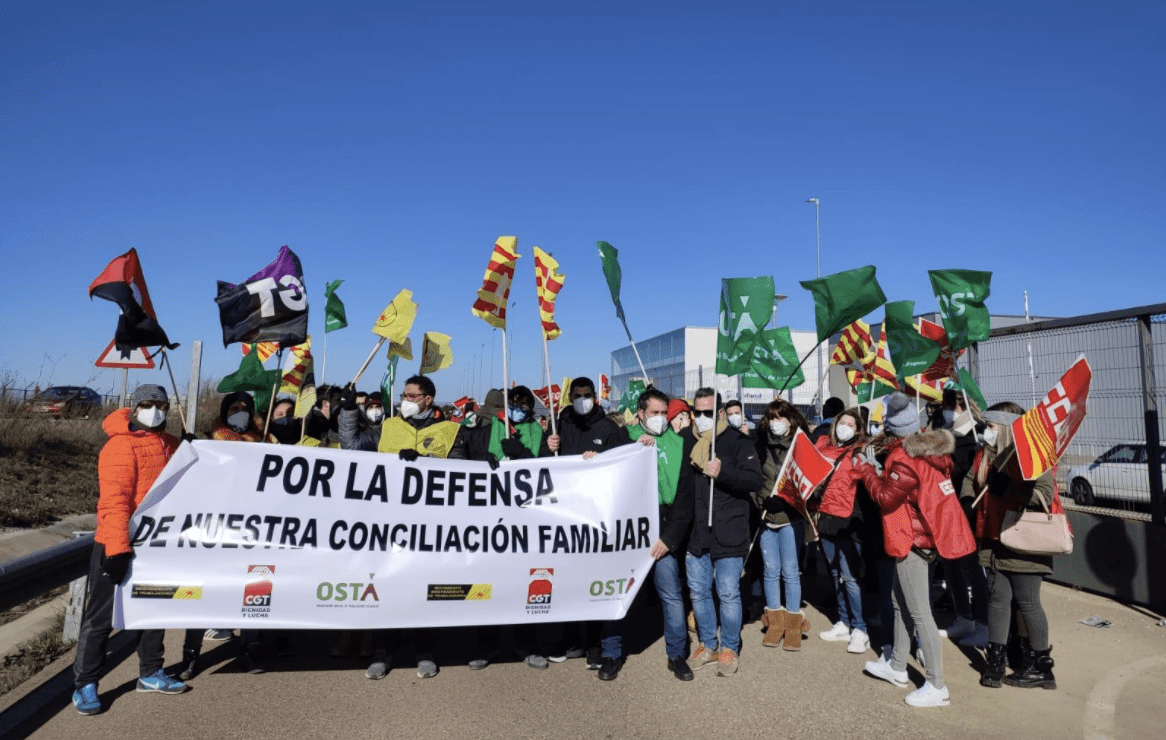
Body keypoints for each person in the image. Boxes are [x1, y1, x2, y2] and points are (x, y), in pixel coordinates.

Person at [72, 385, 187, 715]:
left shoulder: (171, 444)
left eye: (161, 404)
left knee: (153, 611)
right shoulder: (119, 446)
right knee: (101, 619)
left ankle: (150, 672)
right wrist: (118, 549)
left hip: (156, 544)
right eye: (148, 404)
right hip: (117, 543)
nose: (155, 410)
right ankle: (86, 685)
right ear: (134, 408)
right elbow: (115, 502)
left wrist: (192, 452)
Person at [856, 392, 976, 708]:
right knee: (899, 602)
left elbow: (885, 498)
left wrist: (868, 469)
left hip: (912, 541)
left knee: (921, 612)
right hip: (921, 538)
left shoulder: (904, 460)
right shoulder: (929, 452)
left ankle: (937, 684)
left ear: (896, 429)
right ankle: (897, 664)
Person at [366, 375, 461, 680]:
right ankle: (383, 652)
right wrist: (347, 412)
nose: (405, 399)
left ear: (427, 399)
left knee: (425, 589)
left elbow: (460, 469)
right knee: (388, 586)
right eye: (404, 394)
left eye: (411, 395)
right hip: (391, 521)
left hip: (430, 524)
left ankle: (425, 651)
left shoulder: (450, 431)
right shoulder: (389, 425)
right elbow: (355, 446)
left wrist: (427, 461)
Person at [964, 402, 1060, 690]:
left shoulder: (1034, 455)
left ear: (1005, 428)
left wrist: (1004, 485)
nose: (985, 432)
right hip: (993, 539)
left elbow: (1044, 494)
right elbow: (971, 480)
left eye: (990, 427)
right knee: (997, 601)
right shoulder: (986, 455)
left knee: (1028, 603)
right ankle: (995, 660)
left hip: (1025, 540)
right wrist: (967, 499)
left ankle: (1040, 666)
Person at [602, 388, 695, 681]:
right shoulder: (623, 439)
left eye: (662, 414)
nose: (659, 419)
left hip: (662, 529)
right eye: (653, 413)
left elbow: (684, 498)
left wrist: (669, 538)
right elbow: (604, 475)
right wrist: (623, 453)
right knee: (617, 594)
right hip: (628, 532)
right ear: (640, 413)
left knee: (671, 594)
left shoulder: (678, 443)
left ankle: (677, 654)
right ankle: (611, 653)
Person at [542, 377, 630, 667]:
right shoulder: (559, 423)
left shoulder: (608, 428)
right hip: (564, 518)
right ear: (570, 396)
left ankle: (594, 645)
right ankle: (570, 641)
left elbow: (624, 463)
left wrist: (606, 457)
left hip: (595, 520)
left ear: (595, 396)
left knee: (592, 584)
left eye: (587, 394)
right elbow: (543, 468)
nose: (582, 399)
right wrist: (548, 445)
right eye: (577, 395)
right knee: (567, 582)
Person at [685, 388, 763, 677]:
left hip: (729, 530)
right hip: (697, 533)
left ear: (719, 412)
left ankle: (729, 647)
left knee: (728, 593)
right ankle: (707, 644)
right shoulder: (688, 442)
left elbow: (754, 480)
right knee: (699, 592)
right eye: (697, 412)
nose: (701, 418)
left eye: (707, 412)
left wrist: (724, 473)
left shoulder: (739, 442)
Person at [751, 399, 811, 650]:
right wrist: (761, 501)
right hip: (767, 517)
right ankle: (775, 621)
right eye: (772, 418)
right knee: (770, 570)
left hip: (790, 518)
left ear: (791, 420)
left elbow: (809, 483)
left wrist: (786, 503)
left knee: (790, 571)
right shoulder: (761, 444)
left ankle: (793, 624)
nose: (776, 423)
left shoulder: (800, 446)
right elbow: (754, 479)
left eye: (781, 418)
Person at [814, 408, 871, 654]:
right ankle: (844, 621)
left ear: (858, 430)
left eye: (851, 424)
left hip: (849, 519)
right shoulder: (823, 446)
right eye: (842, 422)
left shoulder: (861, 452)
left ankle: (860, 628)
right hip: (826, 517)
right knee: (835, 572)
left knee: (850, 577)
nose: (844, 427)